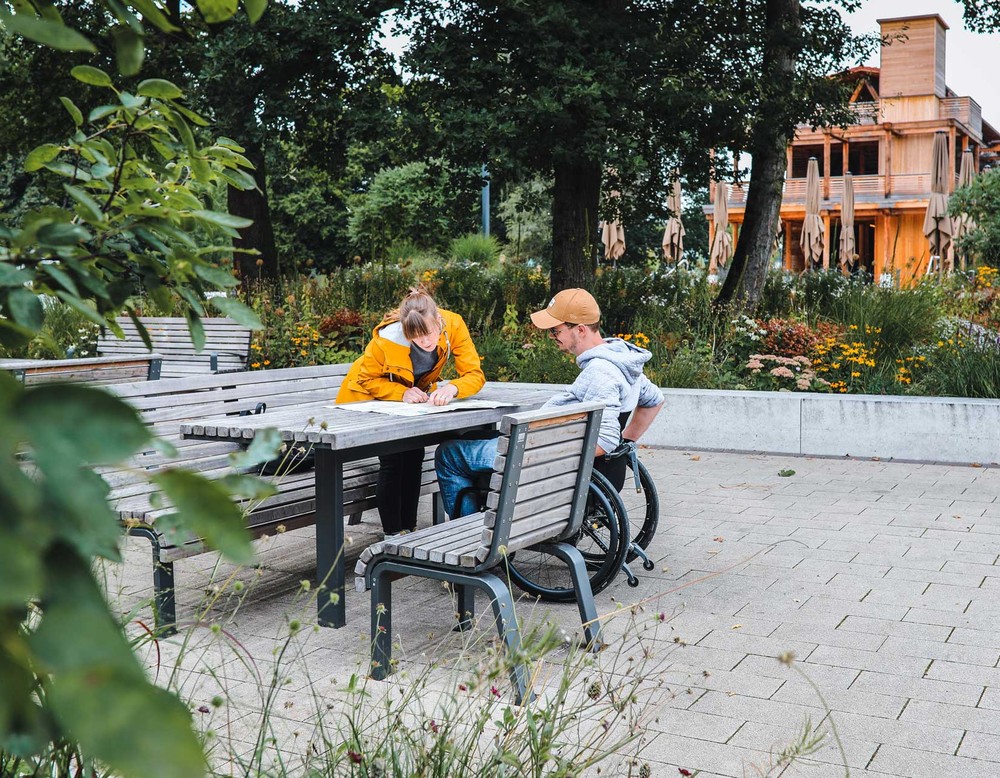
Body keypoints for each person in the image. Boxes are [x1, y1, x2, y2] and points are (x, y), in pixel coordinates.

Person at [436, 288, 664, 519]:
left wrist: (553, 452)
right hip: (550, 453)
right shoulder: (622, 364)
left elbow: (604, 440)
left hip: (541, 459)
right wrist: (625, 444)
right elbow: (654, 401)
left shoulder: (600, 372)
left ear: (581, 330)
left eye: (556, 331)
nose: (551, 336)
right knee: (471, 440)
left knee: (450, 454)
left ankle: (469, 537)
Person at [337, 287, 485, 535]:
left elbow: (474, 374)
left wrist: (453, 389)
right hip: (367, 400)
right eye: (416, 338)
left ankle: (410, 529)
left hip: (409, 404)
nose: (426, 342)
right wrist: (400, 392)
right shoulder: (388, 336)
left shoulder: (454, 325)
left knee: (414, 454)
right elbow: (366, 378)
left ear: (439, 321)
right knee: (393, 457)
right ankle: (393, 535)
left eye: (429, 334)